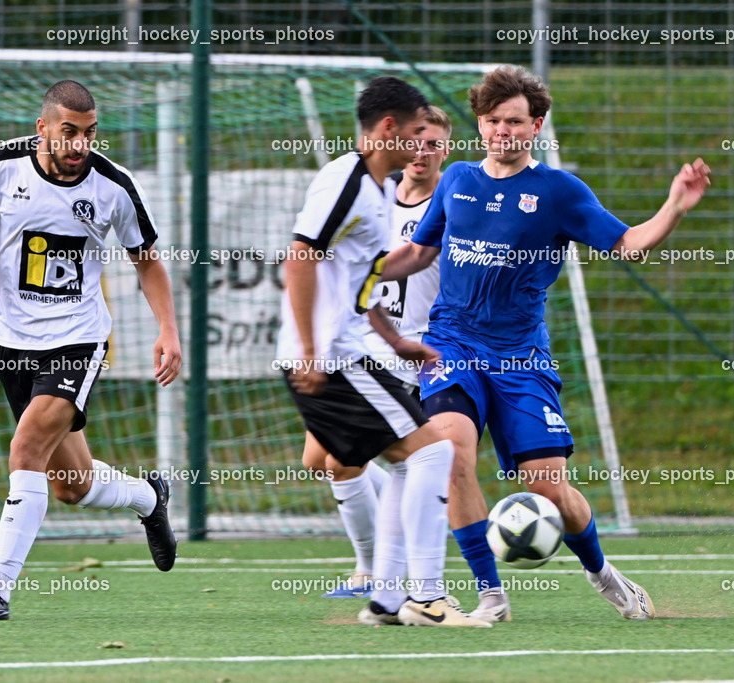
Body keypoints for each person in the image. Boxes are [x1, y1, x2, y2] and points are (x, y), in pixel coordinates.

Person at [385, 65, 711, 620]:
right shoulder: (458, 179)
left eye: (514, 121)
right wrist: (357, 275)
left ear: (536, 125)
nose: (501, 131)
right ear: (480, 124)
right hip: (451, 345)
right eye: (492, 121)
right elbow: (419, 252)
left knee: (550, 492)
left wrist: (674, 208)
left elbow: (629, 245)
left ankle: (605, 575)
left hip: (520, 357)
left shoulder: (559, 191)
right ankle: (491, 597)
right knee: (450, 455)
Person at [0, 80, 181, 620]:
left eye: (90, 133)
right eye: (69, 133)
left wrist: (167, 329)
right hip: (13, 341)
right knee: (71, 485)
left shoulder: (113, 186)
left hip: (78, 338)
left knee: (26, 448)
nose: (79, 145)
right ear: (43, 129)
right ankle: (149, 498)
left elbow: (147, 261)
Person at [277, 78, 488, 627]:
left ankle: (389, 602)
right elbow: (299, 259)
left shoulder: (373, 192)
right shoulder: (346, 181)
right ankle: (426, 598)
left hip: (355, 349)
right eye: (416, 132)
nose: (421, 144)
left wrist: (397, 342)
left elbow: (363, 279)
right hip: (335, 356)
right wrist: (309, 351)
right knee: (432, 454)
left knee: (405, 463)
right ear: (389, 128)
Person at [299, 107, 454, 600]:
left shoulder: (451, 205)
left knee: (350, 462)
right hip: (363, 342)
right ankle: (414, 526)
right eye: (417, 140)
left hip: (410, 350)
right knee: (318, 459)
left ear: (446, 151)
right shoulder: (379, 196)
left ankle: (376, 574)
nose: (422, 152)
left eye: (433, 144)